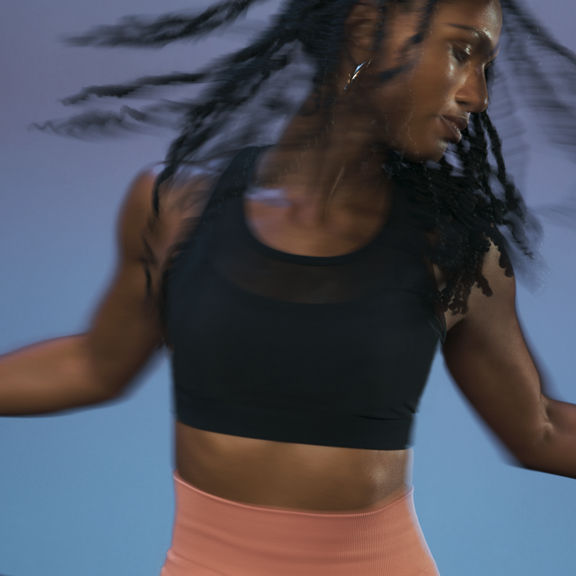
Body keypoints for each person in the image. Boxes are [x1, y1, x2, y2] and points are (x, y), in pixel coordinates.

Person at [2, 0, 576, 574]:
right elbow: (93, 365)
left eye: (485, 67)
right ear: (363, 30)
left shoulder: (453, 251)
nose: (478, 95)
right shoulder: (177, 208)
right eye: (461, 52)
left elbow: (541, 430)